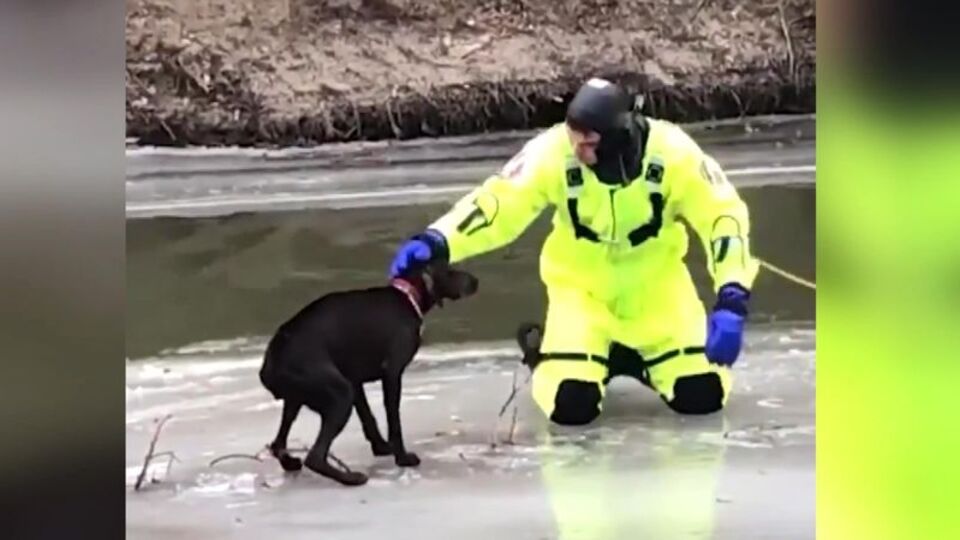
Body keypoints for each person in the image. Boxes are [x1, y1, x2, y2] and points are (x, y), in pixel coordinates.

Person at [388, 78, 760, 426]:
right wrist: (438, 240)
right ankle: (550, 354)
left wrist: (732, 297)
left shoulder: (674, 153)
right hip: (581, 296)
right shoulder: (553, 152)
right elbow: (500, 204)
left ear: (617, 138)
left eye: (587, 141)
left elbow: (723, 217)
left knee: (703, 396)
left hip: (658, 296)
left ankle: (641, 358)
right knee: (572, 406)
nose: (576, 149)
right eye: (573, 137)